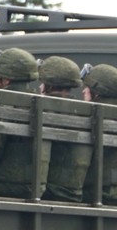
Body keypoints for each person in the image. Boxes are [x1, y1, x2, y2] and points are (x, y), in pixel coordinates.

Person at [0, 47, 48, 199]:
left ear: (6, 80)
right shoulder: (44, 105)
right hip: (37, 188)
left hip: (6, 186)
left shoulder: (5, 107)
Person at [80, 63, 117, 206]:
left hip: (100, 194)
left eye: (87, 89)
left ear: (97, 94)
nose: (83, 92)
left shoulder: (93, 118)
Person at [40, 56, 93, 203]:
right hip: (72, 192)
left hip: (52, 191)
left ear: (48, 86)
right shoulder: (84, 113)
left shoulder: (42, 109)